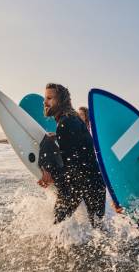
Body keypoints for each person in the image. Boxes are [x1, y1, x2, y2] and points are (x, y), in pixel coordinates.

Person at [38, 83, 106, 227]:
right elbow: (74, 151)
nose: (45, 102)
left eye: (49, 98)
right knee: (99, 232)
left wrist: (48, 170)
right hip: (92, 183)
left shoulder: (66, 122)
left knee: (58, 227)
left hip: (82, 182)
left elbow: (71, 163)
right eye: (45, 98)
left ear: (61, 101)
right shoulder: (70, 120)